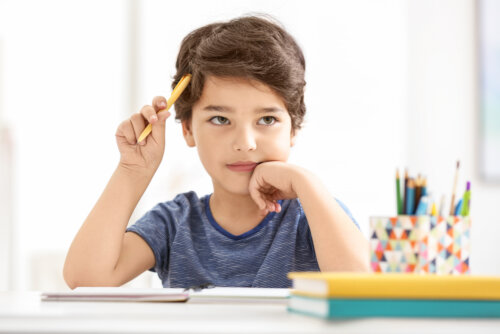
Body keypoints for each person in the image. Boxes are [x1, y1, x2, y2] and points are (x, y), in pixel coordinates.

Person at [63, 15, 369, 289]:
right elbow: (85, 280)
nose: (245, 142)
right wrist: (133, 171)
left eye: (267, 120)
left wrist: (305, 183)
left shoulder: (315, 214)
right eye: (220, 119)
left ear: (293, 130)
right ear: (187, 129)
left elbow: (363, 287)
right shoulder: (174, 223)